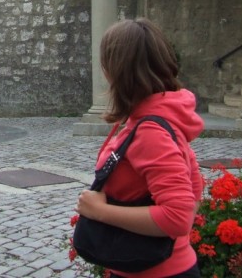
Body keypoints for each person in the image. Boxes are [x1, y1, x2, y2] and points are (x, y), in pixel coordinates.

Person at [75, 18, 203, 278]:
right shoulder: (159, 117)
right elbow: (195, 188)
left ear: (115, 69)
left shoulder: (150, 131)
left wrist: (100, 212)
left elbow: (178, 217)